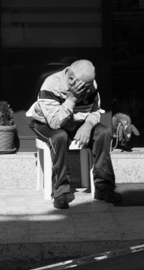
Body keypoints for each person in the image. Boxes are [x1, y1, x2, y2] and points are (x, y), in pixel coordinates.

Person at [27, 59, 121, 209]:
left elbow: (95, 111)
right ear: (71, 79)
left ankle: (104, 187)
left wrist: (88, 125)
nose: (89, 89)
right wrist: (72, 98)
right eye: (85, 86)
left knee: (103, 133)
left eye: (90, 85)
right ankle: (60, 191)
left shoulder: (90, 84)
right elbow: (55, 123)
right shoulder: (51, 85)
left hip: (77, 123)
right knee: (59, 137)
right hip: (47, 123)